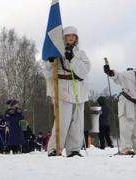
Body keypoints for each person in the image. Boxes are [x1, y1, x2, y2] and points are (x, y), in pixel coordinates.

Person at [43, 26, 91, 157]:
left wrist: (72, 59)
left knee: (77, 122)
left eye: (73, 36)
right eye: (68, 36)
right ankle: (54, 149)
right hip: (63, 89)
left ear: (76, 38)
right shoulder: (57, 53)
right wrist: (50, 62)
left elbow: (84, 71)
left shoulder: (81, 54)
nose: (70, 38)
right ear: (63, 38)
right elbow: (48, 74)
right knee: (61, 121)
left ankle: (74, 149)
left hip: (78, 90)